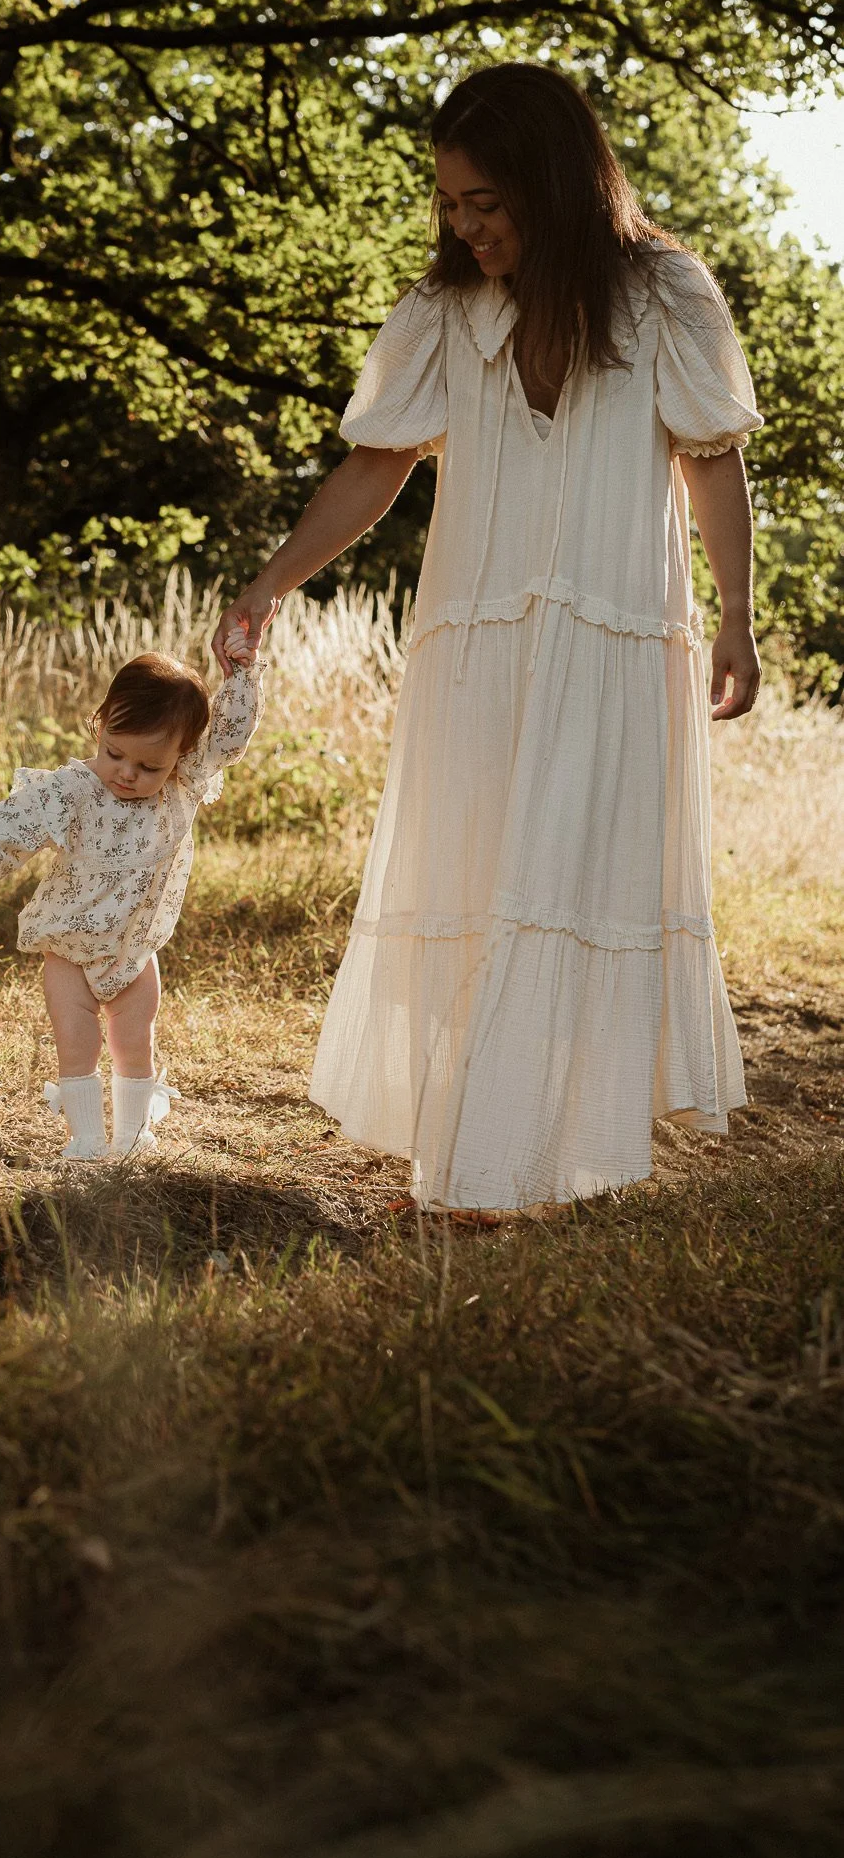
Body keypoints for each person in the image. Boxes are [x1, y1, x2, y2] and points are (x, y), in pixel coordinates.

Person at [212, 62, 762, 1219]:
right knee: (475, 883)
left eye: (487, 205)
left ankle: (506, 1170)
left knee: (566, 877)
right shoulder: (443, 313)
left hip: (612, 646)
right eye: (449, 205)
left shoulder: (664, 293)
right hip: (471, 645)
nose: (465, 228)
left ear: (550, 184)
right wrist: (270, 582)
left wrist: (736, 616)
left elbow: (711, 455)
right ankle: (485, 1156)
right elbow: (377, 465)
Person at [0, 642, 263, 1159]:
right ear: (99, 726)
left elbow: (230, 736)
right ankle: (84, 1140)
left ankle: (131, 1137)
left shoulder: (181, 786)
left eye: (149, 766)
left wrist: (241, 673)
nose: (127, 773)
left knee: (133, 1040)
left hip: (134, 946)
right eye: (115, 752)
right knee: (76, 1039)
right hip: (68, 945)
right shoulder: (73, 789)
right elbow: (11, 824)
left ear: (181, 757)